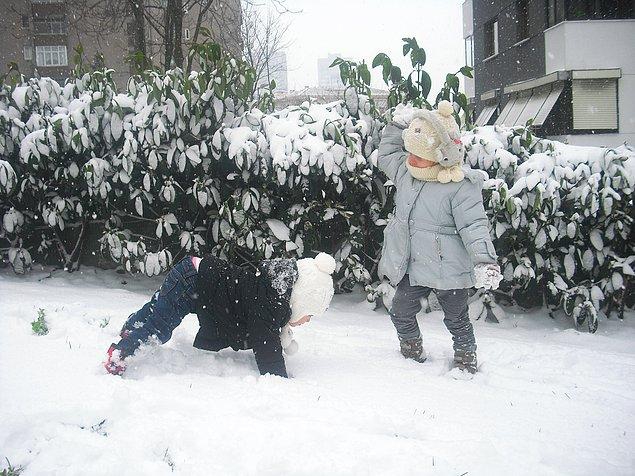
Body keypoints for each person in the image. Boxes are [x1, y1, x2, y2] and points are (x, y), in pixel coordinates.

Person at [377, 100, 503, 374]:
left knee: (457, 319)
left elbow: (475, 225)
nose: (411, 159)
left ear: (441, 155)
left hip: (450, 271)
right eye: (409, 152)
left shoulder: (459, 186)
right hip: (416, 266)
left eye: (419, 156)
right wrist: (397, 125)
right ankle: (411, 351)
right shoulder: (407, 173)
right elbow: (387, 155)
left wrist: (485, 261)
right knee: (400, 310)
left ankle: (466, 358)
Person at [104, 252, 336, 378]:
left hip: (193, 272)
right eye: (310, 314)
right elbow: (266, 345)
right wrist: (278, 377)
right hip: (193, 282)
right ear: (302, 300)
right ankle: (120, 354)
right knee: (160, 326)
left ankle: (132, 327)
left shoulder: (271, 290)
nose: (307, 321)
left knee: (158, 311)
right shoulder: (270, 303)